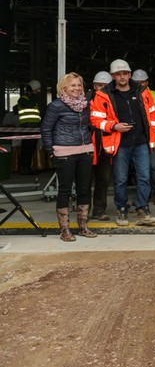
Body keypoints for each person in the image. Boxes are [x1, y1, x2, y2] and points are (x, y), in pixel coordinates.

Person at [89, 59, 155, 227]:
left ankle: (142, 209)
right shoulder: (104, 94)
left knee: (144, 177)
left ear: (129, 74)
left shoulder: (142, 91)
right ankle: (121, 209)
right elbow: (95, 120)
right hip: (119, 143)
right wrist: (114, 126)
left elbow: (153, 114)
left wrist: (153, 137)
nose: (122, 77)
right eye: (118, 74)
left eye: (125, 73)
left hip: (141, 142)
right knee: (120, 179)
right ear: (113, 76)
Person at [40, 73, 96, 241]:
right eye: (73, 85)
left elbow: (88, 125)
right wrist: (51, 151)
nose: (77, 88)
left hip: (84, 150)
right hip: (64, 152)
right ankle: (65, 230)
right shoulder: (55, 106)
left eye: (79, 85)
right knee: (64, 190)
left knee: (84, 189)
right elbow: (46, 129)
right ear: (63, 88)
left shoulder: (85, 105)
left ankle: (83, 227)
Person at [132, 69, 155, 206]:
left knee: (153, 166)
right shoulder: (129, 96)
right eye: (137, 82)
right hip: (136, 139)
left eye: (142, 82)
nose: (140, 84)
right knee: (140, 168)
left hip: (153, 137)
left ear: (147, 82)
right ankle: (143, 195)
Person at [88, 71, 114, 221]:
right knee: (84, 181)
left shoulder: (114, 101)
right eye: (99, 85)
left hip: (105, 146)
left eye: (105, 85)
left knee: (103, 180)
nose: (102, 88)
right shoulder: (84, 101)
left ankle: (99, 211)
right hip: (87, 147)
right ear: (94, 85)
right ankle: (84, 212)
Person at [16, 79, 42, 174]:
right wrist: (33, 96)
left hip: (34, 128)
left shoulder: (33, 100)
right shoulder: (23, 99)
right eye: (35, 91)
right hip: (27, 128)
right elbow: (29, 106)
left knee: (31, 149)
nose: (37, 93)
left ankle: (27, 168)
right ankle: (23, 168)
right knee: (26, 149)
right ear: (30, 90)